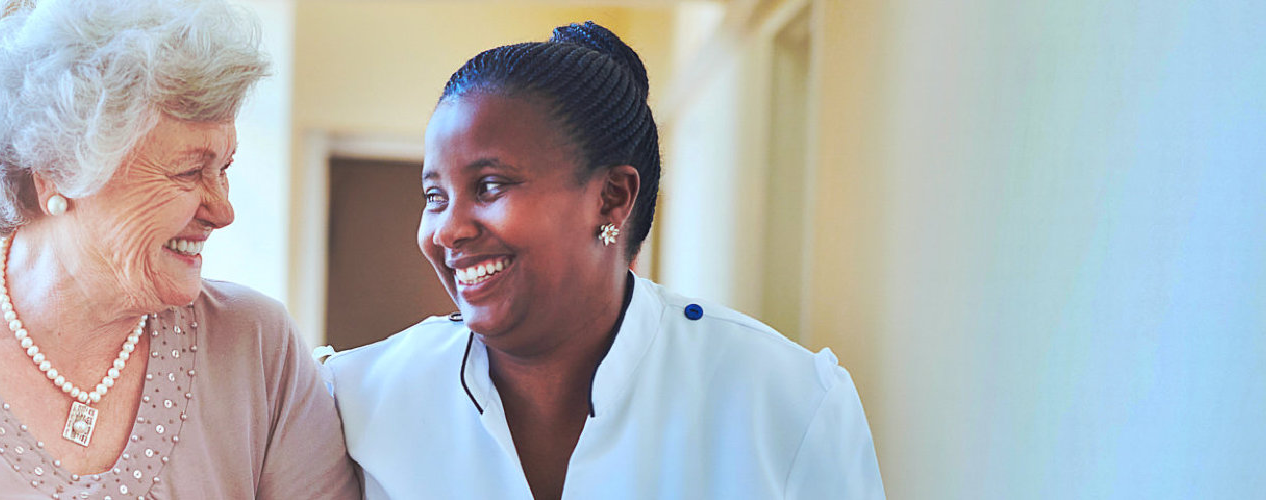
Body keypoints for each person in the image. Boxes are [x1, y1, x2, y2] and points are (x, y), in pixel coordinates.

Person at [0, 1, 362, 498]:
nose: (222, 209)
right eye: (188, 172)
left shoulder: (257, 348)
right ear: (55, 174)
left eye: (224, 168)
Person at [326, 21, 884, 499]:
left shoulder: (787, 401)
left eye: (490, 185)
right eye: (434, 197)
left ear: (613, 196)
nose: (446, 229)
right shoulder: (354, 400)